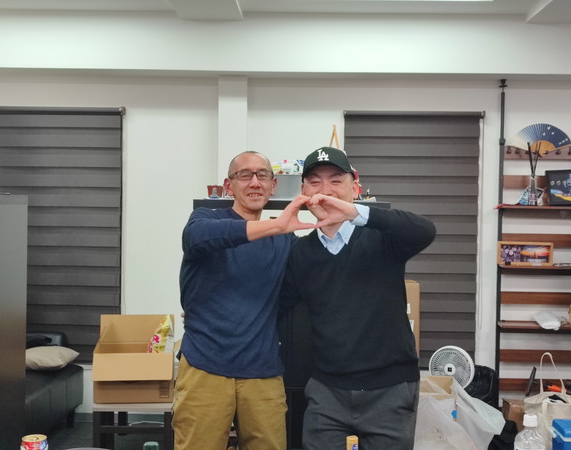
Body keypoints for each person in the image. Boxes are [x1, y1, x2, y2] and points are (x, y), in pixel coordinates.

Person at [280, 146, 437, 450]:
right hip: (327, 391)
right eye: (315, 182)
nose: (325, 190)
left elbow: (424, 231)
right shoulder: (300, 252)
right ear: (303, 192)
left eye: (336, 180)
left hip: (390, 390)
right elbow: (275, 304)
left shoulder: (383, 238)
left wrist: (355, 212)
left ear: (355, 188)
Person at [173, 151, 318, 450]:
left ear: (273, 185)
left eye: (262, 175)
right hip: (205, 366)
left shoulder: (284, 241)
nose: (255, 182)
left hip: (263, 372)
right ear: (229, 186)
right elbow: (196, 237)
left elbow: (299, 286)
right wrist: (276, 225)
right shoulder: (206, 219)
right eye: (244, 175)